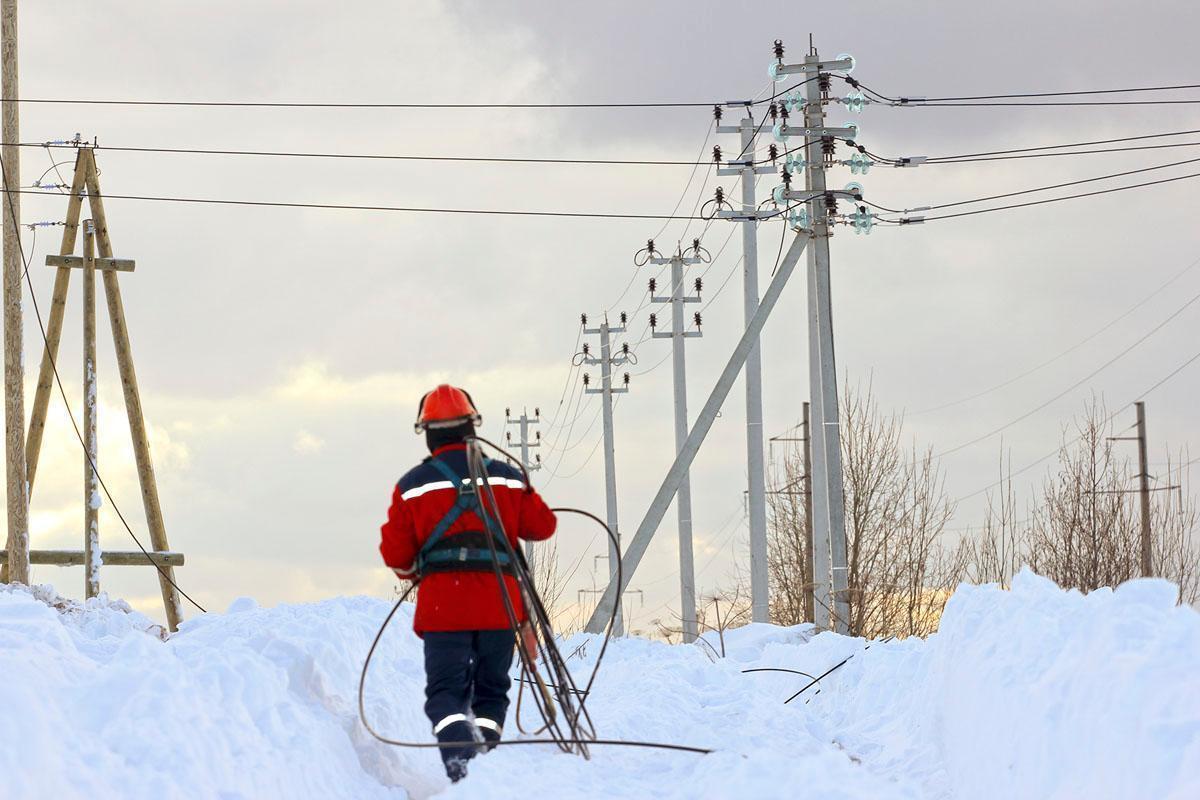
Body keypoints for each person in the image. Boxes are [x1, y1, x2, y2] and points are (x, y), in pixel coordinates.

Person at [379, 384, 557, 782]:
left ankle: (461, 760)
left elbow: (396, 555)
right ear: (471, 428)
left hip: (444, 609)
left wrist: (416, 572)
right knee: (492, 689)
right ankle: (486, 761)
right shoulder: (508, 477)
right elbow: (543, 527)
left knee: (446, 693)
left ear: (427, 431)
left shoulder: (412, 485)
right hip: (500, 606)